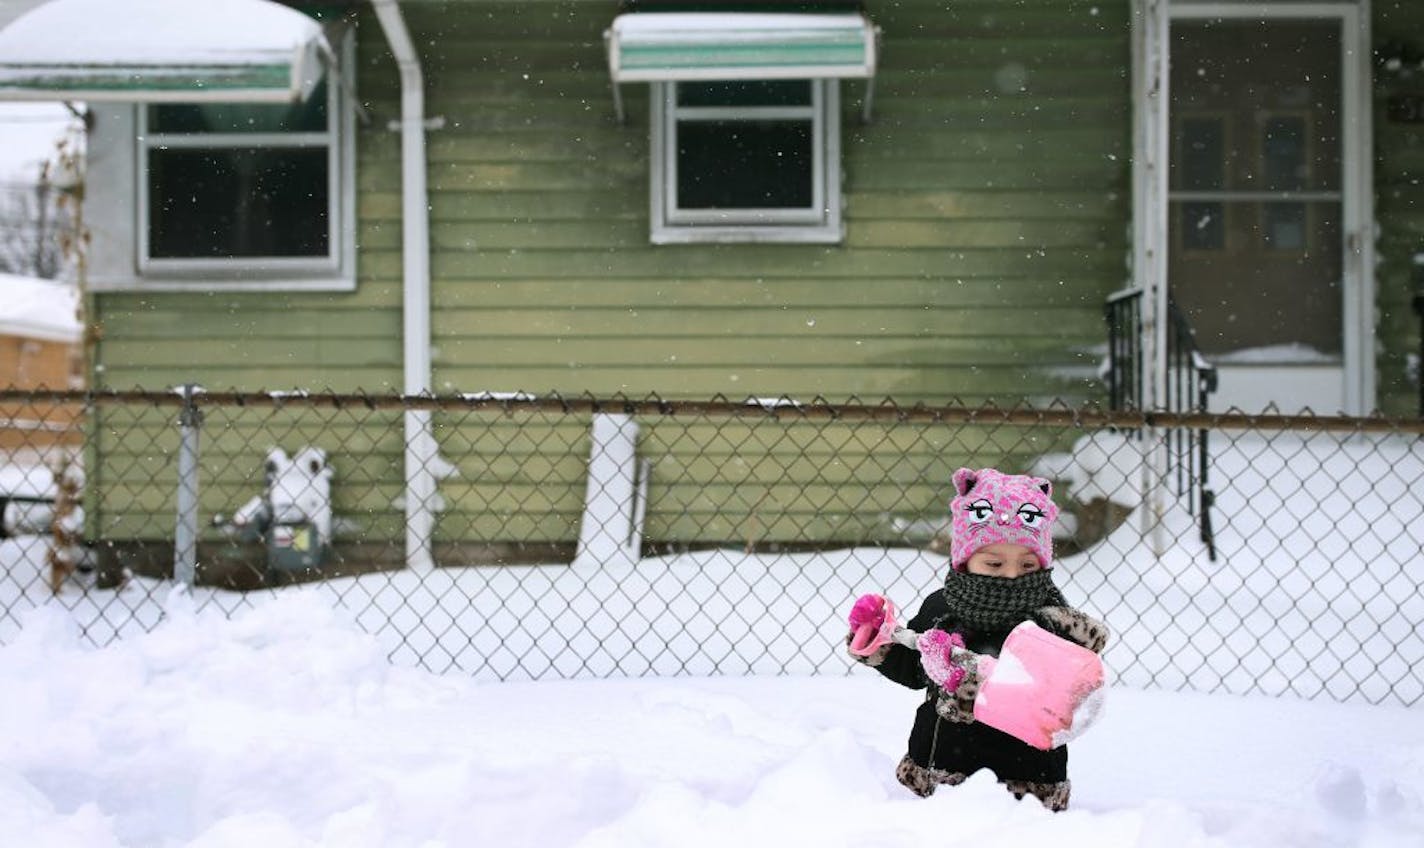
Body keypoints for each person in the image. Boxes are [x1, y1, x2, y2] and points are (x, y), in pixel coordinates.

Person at [846, 467, 1109, 811]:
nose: (1011, 576)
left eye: (1028, 566)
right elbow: (913, 666)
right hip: (943, 765)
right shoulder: (942, 607)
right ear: (965, 560)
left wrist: (981, 677)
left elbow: (1065, 693)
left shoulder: (1049, 616)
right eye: (994, 563)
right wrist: (876, 641)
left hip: (1028, 776)